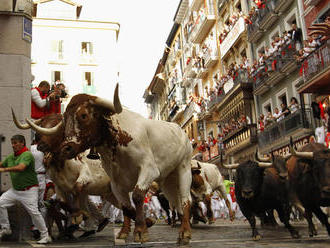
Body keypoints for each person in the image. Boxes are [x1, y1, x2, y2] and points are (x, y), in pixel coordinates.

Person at [0, 135, 51, 244]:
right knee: (1, 203)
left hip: (29, 191)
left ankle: (45, 235)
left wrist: (4, 169)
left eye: (15, 143)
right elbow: (1, 164)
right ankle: (6, 228)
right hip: (15, 190)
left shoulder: (27, 154)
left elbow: (21, 167)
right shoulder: (11, 156)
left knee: (34, 212)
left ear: (22, 143)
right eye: (12, 143)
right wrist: (2, 167)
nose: (13, 145)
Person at [30, 133, 47, 239]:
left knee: (33, 204)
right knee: (42, 205)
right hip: (42, 177)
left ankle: (35, 227)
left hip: (31, 178)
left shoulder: (29, 149)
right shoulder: (45, 150)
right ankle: (41, 228)